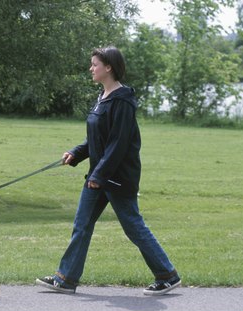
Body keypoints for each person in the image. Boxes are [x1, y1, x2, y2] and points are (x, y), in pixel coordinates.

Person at [36, 46, 180, 296]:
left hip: (117, 178)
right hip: (99, 176)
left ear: (109, 67)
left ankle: (167, 275)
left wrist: (99, 175)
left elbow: (118, 143)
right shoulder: (103, 97)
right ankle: (66, 278)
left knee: (133, 227)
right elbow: (98, 138)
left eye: (94, 64)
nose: (91, 69)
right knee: (81, 225)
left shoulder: (122, 100)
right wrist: (76, 153)